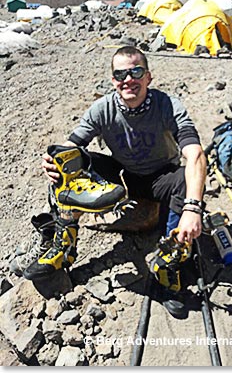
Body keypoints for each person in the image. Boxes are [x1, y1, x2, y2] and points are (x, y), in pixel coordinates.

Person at [10, 46, 207, 317]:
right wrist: (53, 161)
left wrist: (192, 209)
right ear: (113, 80)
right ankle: (64, 246)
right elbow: (71, 145)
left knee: (185, 182)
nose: (129, 79)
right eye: (121, 74)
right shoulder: (102, 109)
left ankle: (170, 258)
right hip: (124, 175)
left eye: (136, 71)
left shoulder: (168, 106)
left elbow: (195, 154)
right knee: (69, 162)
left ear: (148, 77)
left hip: (161, 177)